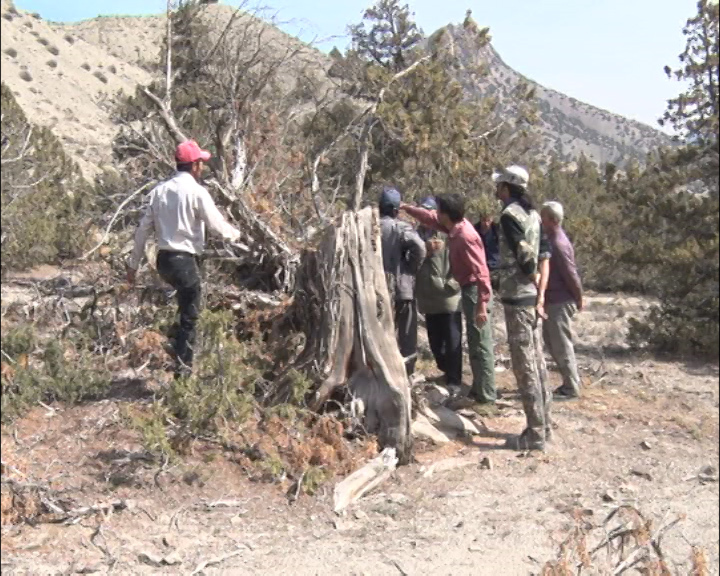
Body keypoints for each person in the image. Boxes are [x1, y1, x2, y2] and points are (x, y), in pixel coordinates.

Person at [126, 139, 242, 375]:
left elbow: (142, 231)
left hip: (163, 262)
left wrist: (132, 266)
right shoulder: (197, 192)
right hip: (184, 261)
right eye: (201, 163)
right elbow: (216, 225)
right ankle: (183, 374)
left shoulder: (159, 191)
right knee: (191, 318)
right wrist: (237, 236)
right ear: (196, 165)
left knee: (184, 306)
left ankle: (175, 345)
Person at [400, 193, 497, 409]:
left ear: (447, 214)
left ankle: (487, 397)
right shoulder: (453, 228)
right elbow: (429, 217)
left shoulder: (465, 236)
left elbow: (482, 272)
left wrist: (482, 303)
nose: (437, 214)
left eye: (440, 210)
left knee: (480, 345)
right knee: (474, 343)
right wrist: (407, 207)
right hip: (468, 290)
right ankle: (480, 390)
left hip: (474, 291)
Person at [493, 164, 553, 451]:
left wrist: (530, 278)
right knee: (538, 361)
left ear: (506, 187)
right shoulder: (534, 216)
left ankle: (535, 433)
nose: (496, 190)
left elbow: (527, 255)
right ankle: (546, 425)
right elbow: (544, 256)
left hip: (517, 296)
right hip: (532, 298)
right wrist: (541, 294)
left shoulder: (509, 216)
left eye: (499, 185)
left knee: (525, 363)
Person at [415, 197, 463, 389]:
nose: (426, 216)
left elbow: (462, 261)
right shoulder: (416, 235)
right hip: (428, 300)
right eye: (423, 211)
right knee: (436, 344)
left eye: (430, 212)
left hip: (449, 298)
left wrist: (451, 284)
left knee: (453, 342)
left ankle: (454, 380)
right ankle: (446, 371)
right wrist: (423, 250)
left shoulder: (448, 234)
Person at [378, 187, 426, 377]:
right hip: (401, 288)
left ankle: (381, 371)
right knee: (406, 334)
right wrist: (410, 269)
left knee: (379, 331)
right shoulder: (400, 227)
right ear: (397, 210)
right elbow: (420, 248)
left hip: (373, 289)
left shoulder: (367, 226)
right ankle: (407, 373)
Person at [540, 201, 583, 400]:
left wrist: (578, 296)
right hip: (552, 300)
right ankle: (569, 382)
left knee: (561, 344)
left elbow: (570, 273)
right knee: (551, 341)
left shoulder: (558, 243)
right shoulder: (551, 239)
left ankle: (571, 387)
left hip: (560, 301)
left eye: (543, 216)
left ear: (551, 220)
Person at [474, 211, 500, 288]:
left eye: (488, 220)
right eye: (484, 220)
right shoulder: (474, 231)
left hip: (496, 268)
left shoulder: (497, 230)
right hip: (481, 269)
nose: (486, 224)